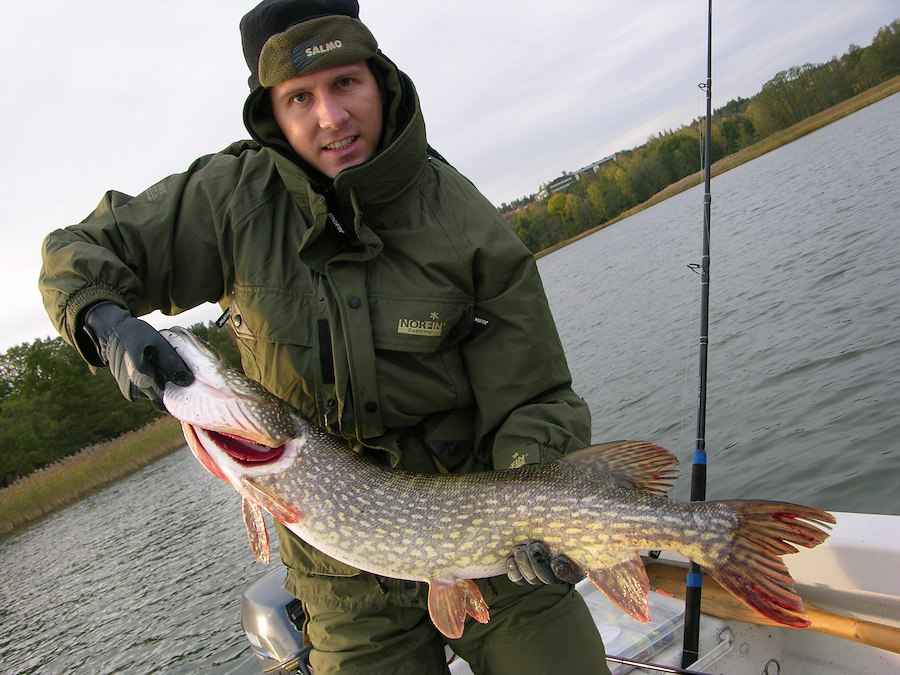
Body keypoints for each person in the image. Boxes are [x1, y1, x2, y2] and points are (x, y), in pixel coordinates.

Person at [39, 1, 610, 672]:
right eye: (299, 97)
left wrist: (531, 503)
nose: (330, 117)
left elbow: (535, 395)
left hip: (498, 558)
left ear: (379, 81)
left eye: (345, 83)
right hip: (342, 587)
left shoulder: (461, 219)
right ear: (271, 115)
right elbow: (77, 251)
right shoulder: (229, 201)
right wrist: (103, 323)